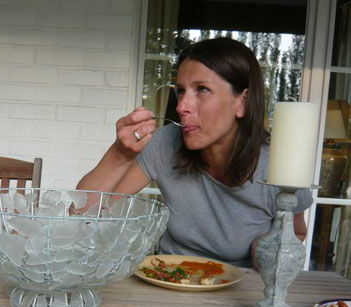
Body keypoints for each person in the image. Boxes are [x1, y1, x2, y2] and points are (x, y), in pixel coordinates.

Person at [77, 37, 313, 268]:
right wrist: (119, 154)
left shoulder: (278, 165)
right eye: (181, 91)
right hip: (168, 278)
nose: (181, 107)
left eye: (202, 89)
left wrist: (264, 250)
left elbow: (298, 232)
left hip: (241, 286)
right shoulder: (166, 143)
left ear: (242, 102)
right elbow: (85, 214)